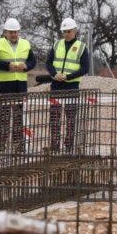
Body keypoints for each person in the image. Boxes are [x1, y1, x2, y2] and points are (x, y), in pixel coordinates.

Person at [45, 17, 90, 153]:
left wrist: (68, 77)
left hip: (72, 86)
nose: (66, 34)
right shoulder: (57, 44)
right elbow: (49, 63)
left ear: (75, 31)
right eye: (64, 31)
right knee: (54, 117)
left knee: (71, 118)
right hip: (56, 85)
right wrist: (54, 74)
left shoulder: (81, 48)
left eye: (68, 31)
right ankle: (55, 144)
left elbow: (85, 68)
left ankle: (69, 144)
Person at [0, 18, 36, 152]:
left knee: (19, 116)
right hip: (4, 85)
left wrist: (26, 66)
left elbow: (32, 61)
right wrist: (7, 66)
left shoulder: (25, 44)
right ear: (5, 32)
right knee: (4, 116)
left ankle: (17, 143)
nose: (14, 35)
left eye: (16, 32)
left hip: (20, 85)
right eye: (11, 32)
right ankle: (1, 143)